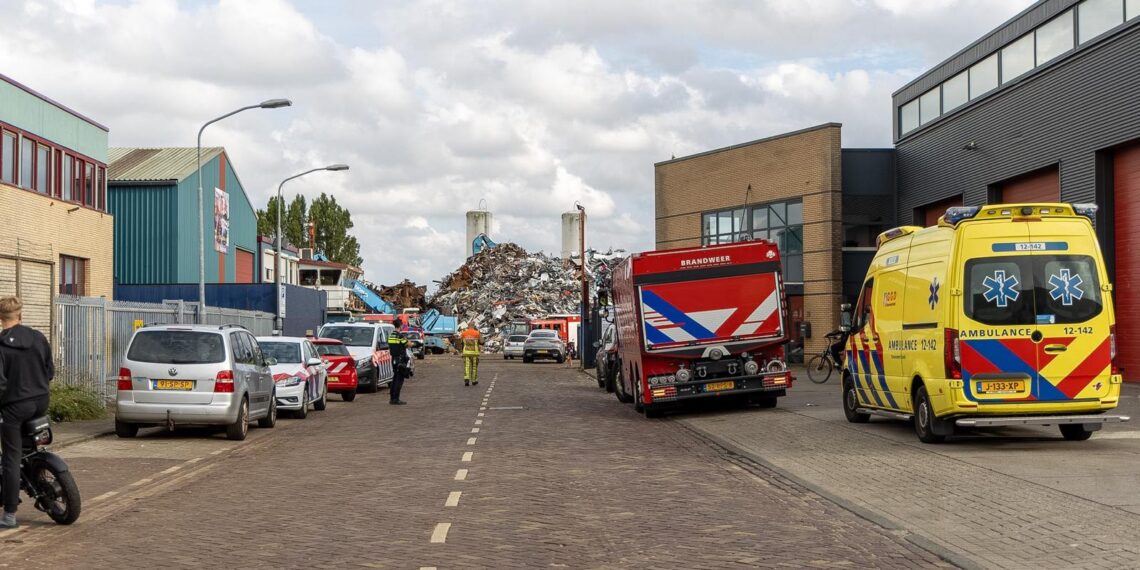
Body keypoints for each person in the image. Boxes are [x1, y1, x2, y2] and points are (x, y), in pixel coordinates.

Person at [0, 297, 53, 529]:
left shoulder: (1, 345)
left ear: (1, 319)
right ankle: (37, 475)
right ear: (20, 315)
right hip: (42, 401)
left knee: (11, 456)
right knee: (28, 446)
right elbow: (49, 370)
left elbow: (1, 384)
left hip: (15, 407)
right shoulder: (38, 337)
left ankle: (9, 514)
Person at [387, 318, 410, 405]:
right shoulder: (400, 336)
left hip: (394, 359)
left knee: (394, 378)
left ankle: (392, 398)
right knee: (399, 379)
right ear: (400, 326)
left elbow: (391, 345)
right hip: (400, 359)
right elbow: (407, 344)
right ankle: (396, 399)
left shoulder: (391, 336)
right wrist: (412, 344)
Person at [459, 322, 481, 386]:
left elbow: (461, 343)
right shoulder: (477, 333)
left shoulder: (464, 333)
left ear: (468, 326)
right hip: (474, 353)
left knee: (467, 366)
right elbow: (482, 342)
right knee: (474, 367)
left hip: (466, 353)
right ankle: (474, 380)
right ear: (474, 326)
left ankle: (466, 379)